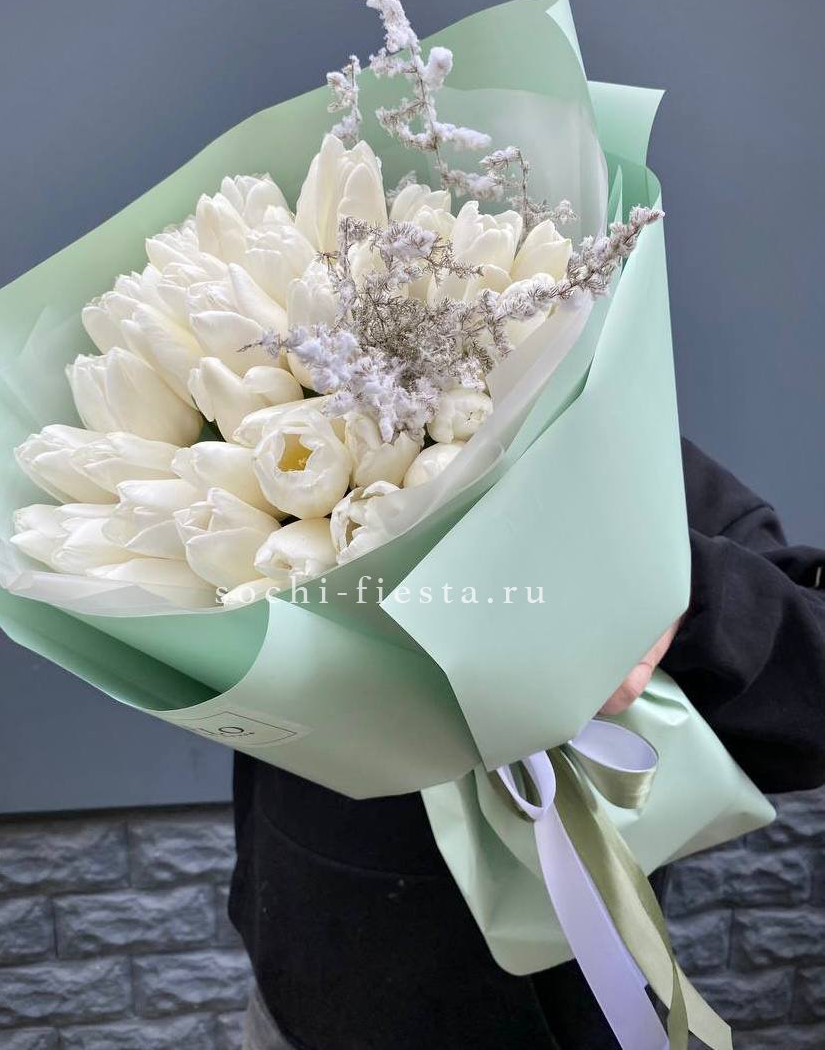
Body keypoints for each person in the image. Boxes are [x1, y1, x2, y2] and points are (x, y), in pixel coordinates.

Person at [229, 438, 825, 1050]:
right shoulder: (277, 436)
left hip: (549, 1020)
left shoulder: (601, 439)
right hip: (292, 996)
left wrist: (682, 587)